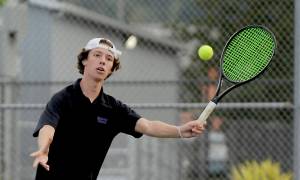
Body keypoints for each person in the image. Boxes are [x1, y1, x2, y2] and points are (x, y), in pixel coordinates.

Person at [30, 38, 206, 180]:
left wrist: (180, 131)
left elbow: (148, 126)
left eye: (108, 59)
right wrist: (44, 147)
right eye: (97, 55)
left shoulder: (113, 109)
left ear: (111, 69)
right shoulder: (62, 98)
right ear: (84, 60)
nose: (102, 61)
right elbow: (48, 126)